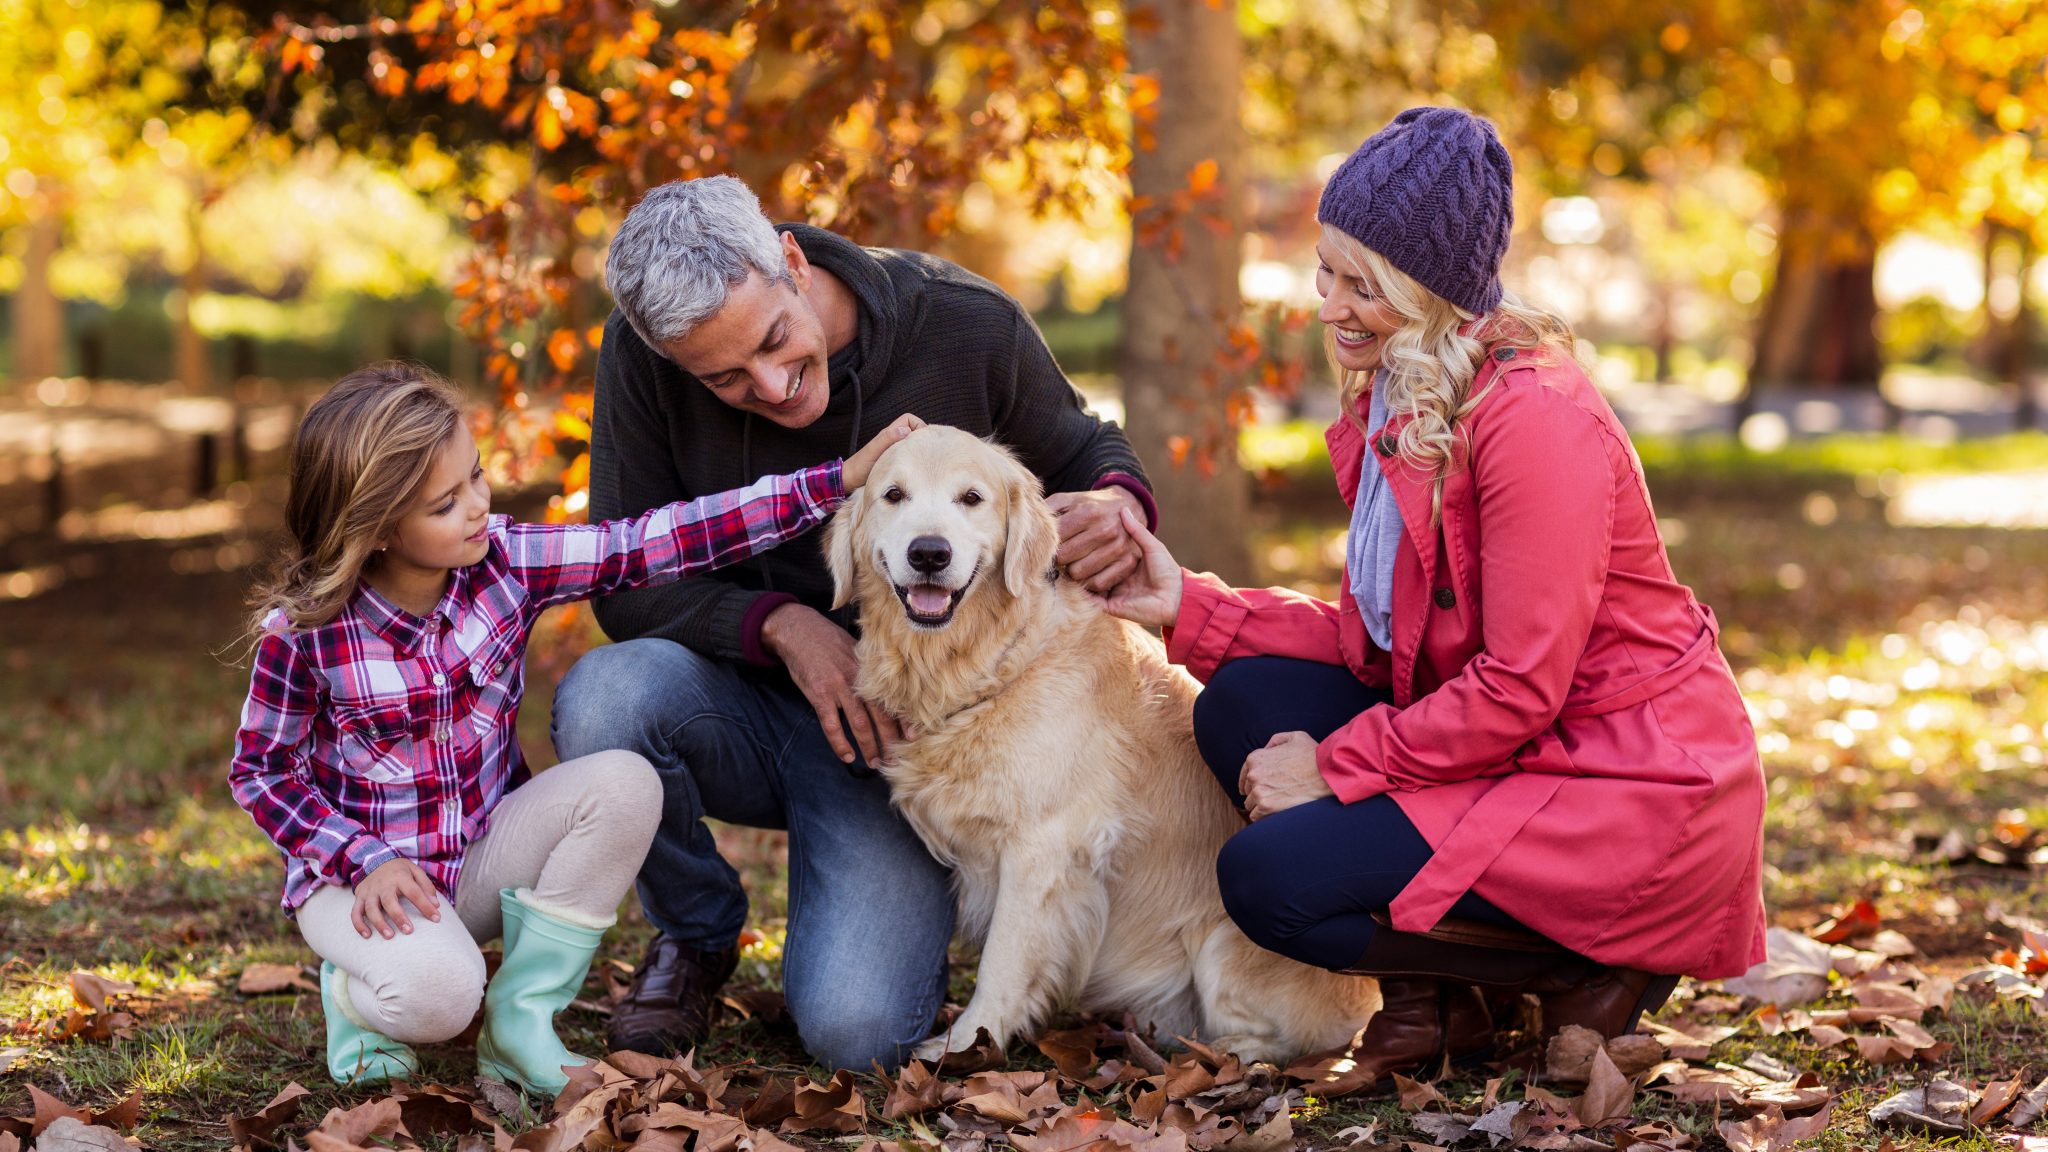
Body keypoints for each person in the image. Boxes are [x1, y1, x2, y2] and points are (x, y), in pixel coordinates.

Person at [1096, 107, 1767, 1082]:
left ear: (1426, 294)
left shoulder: (1533, 419)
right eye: (1325, 271)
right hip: (1520, 744)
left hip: (1621, 786)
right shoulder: (1410, 393)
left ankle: (1589, 968)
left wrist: (1335, 765)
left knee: (1269, 883)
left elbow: (1518, 689)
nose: (1327, 305)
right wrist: (1189, 609)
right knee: (1241, 701)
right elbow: (1381, 651)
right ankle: (1434, 1004)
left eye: (1359, 285)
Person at [550, 176, 1156, 1070]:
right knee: (606, 695)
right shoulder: (646, 355)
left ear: (791, 262)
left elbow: (1084, 445)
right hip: (737, 703)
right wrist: (784, 627)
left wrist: (1117, 501)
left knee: (858, 1032)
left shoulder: (964, 323)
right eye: (724, 377)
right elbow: (623, 576)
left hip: (904, 733)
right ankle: (697, 935)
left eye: (774, 340)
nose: (771, 384)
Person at [229, 361, 919, 1094]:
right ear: (374, 533)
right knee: (439, 998)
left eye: (476, 478)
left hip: (478, 855)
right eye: (443, 504)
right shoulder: (304, 635)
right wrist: (360, 858)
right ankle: (353, 995)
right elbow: (261, 773)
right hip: (359, 883)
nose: (475, 508)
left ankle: (522, 1019)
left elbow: (659, 541)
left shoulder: (504, 564)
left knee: (624, 781)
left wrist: (834, 480)